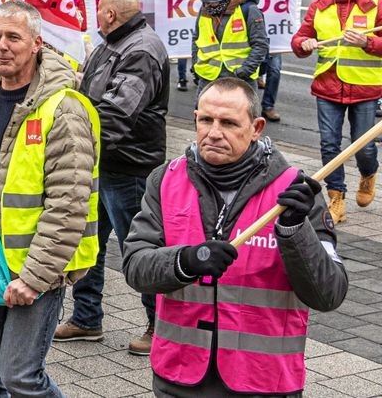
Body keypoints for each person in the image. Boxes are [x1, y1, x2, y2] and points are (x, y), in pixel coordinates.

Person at [123, 77, 348, 398]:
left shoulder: (296, 193)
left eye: (228, 123)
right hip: (179, 376)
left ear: (256, 128)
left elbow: (330, 294)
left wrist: (296, 231)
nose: (214, 132)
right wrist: (187, 260)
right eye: (206, 120)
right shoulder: (165, 181)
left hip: (263, 381)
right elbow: (134, 266)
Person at [0, 1, 100, 397]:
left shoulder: (63, 109)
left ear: (37, 44)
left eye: (14, 37)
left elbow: (68, 206)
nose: (2, 46)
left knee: (20, 377)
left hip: (33, 268)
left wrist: (35, 278)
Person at [55, 0, 167, 355]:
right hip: (101, 163)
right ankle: (87, 319)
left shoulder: (141, 50)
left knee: (140, 247)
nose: (95, 15)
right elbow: (89, 93)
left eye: (98, 9)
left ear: (110, 15)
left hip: (129, 167)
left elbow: (116, 115)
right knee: (90, 245)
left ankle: (160, 326)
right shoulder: (113, 42)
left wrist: (70, 141)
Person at [291, 0, 382, 224]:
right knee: (329, 145)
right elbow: (299, 40)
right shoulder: (319, 6)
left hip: (364, 87)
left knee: (363, 146)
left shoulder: (376, 5)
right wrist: (303, 44)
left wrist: (368, 42)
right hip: (327, 87)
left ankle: (368, 174)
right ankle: (336, 197)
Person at [236, 0, 291, 122]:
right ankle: (247, 106)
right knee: (250, 64)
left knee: (274, 68)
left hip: (273, 28)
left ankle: (268, 105)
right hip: (248, 25)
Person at [191, 0, 270, 97]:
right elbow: (196, 38)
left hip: (241, 81)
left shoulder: (248, 9)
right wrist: (196, 66)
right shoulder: (206, 8)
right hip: (207, 79)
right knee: (203, 116)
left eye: (212, 2)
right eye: (205, 2)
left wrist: (244, 71)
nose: (207, 6)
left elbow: (260, 44)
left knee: (241, 116)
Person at [172, 0, 211, 91]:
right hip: (181, 13)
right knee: (183, 46)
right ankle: (182, 77)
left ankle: (196, 72)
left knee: (199, 45)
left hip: (200, 13)